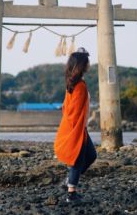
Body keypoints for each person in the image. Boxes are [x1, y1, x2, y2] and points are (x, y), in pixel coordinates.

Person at [54, 47, 97, 203]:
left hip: (78, 127)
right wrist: (76, 131)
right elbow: (74, 111)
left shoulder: (74, 83)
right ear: (82, 65)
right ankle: (71, 194)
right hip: (75, 128)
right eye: (87, 62)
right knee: (77, 159)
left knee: (91, 155)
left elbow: (68, 107)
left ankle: (69, 181)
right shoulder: (78, 86)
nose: (89, 64)